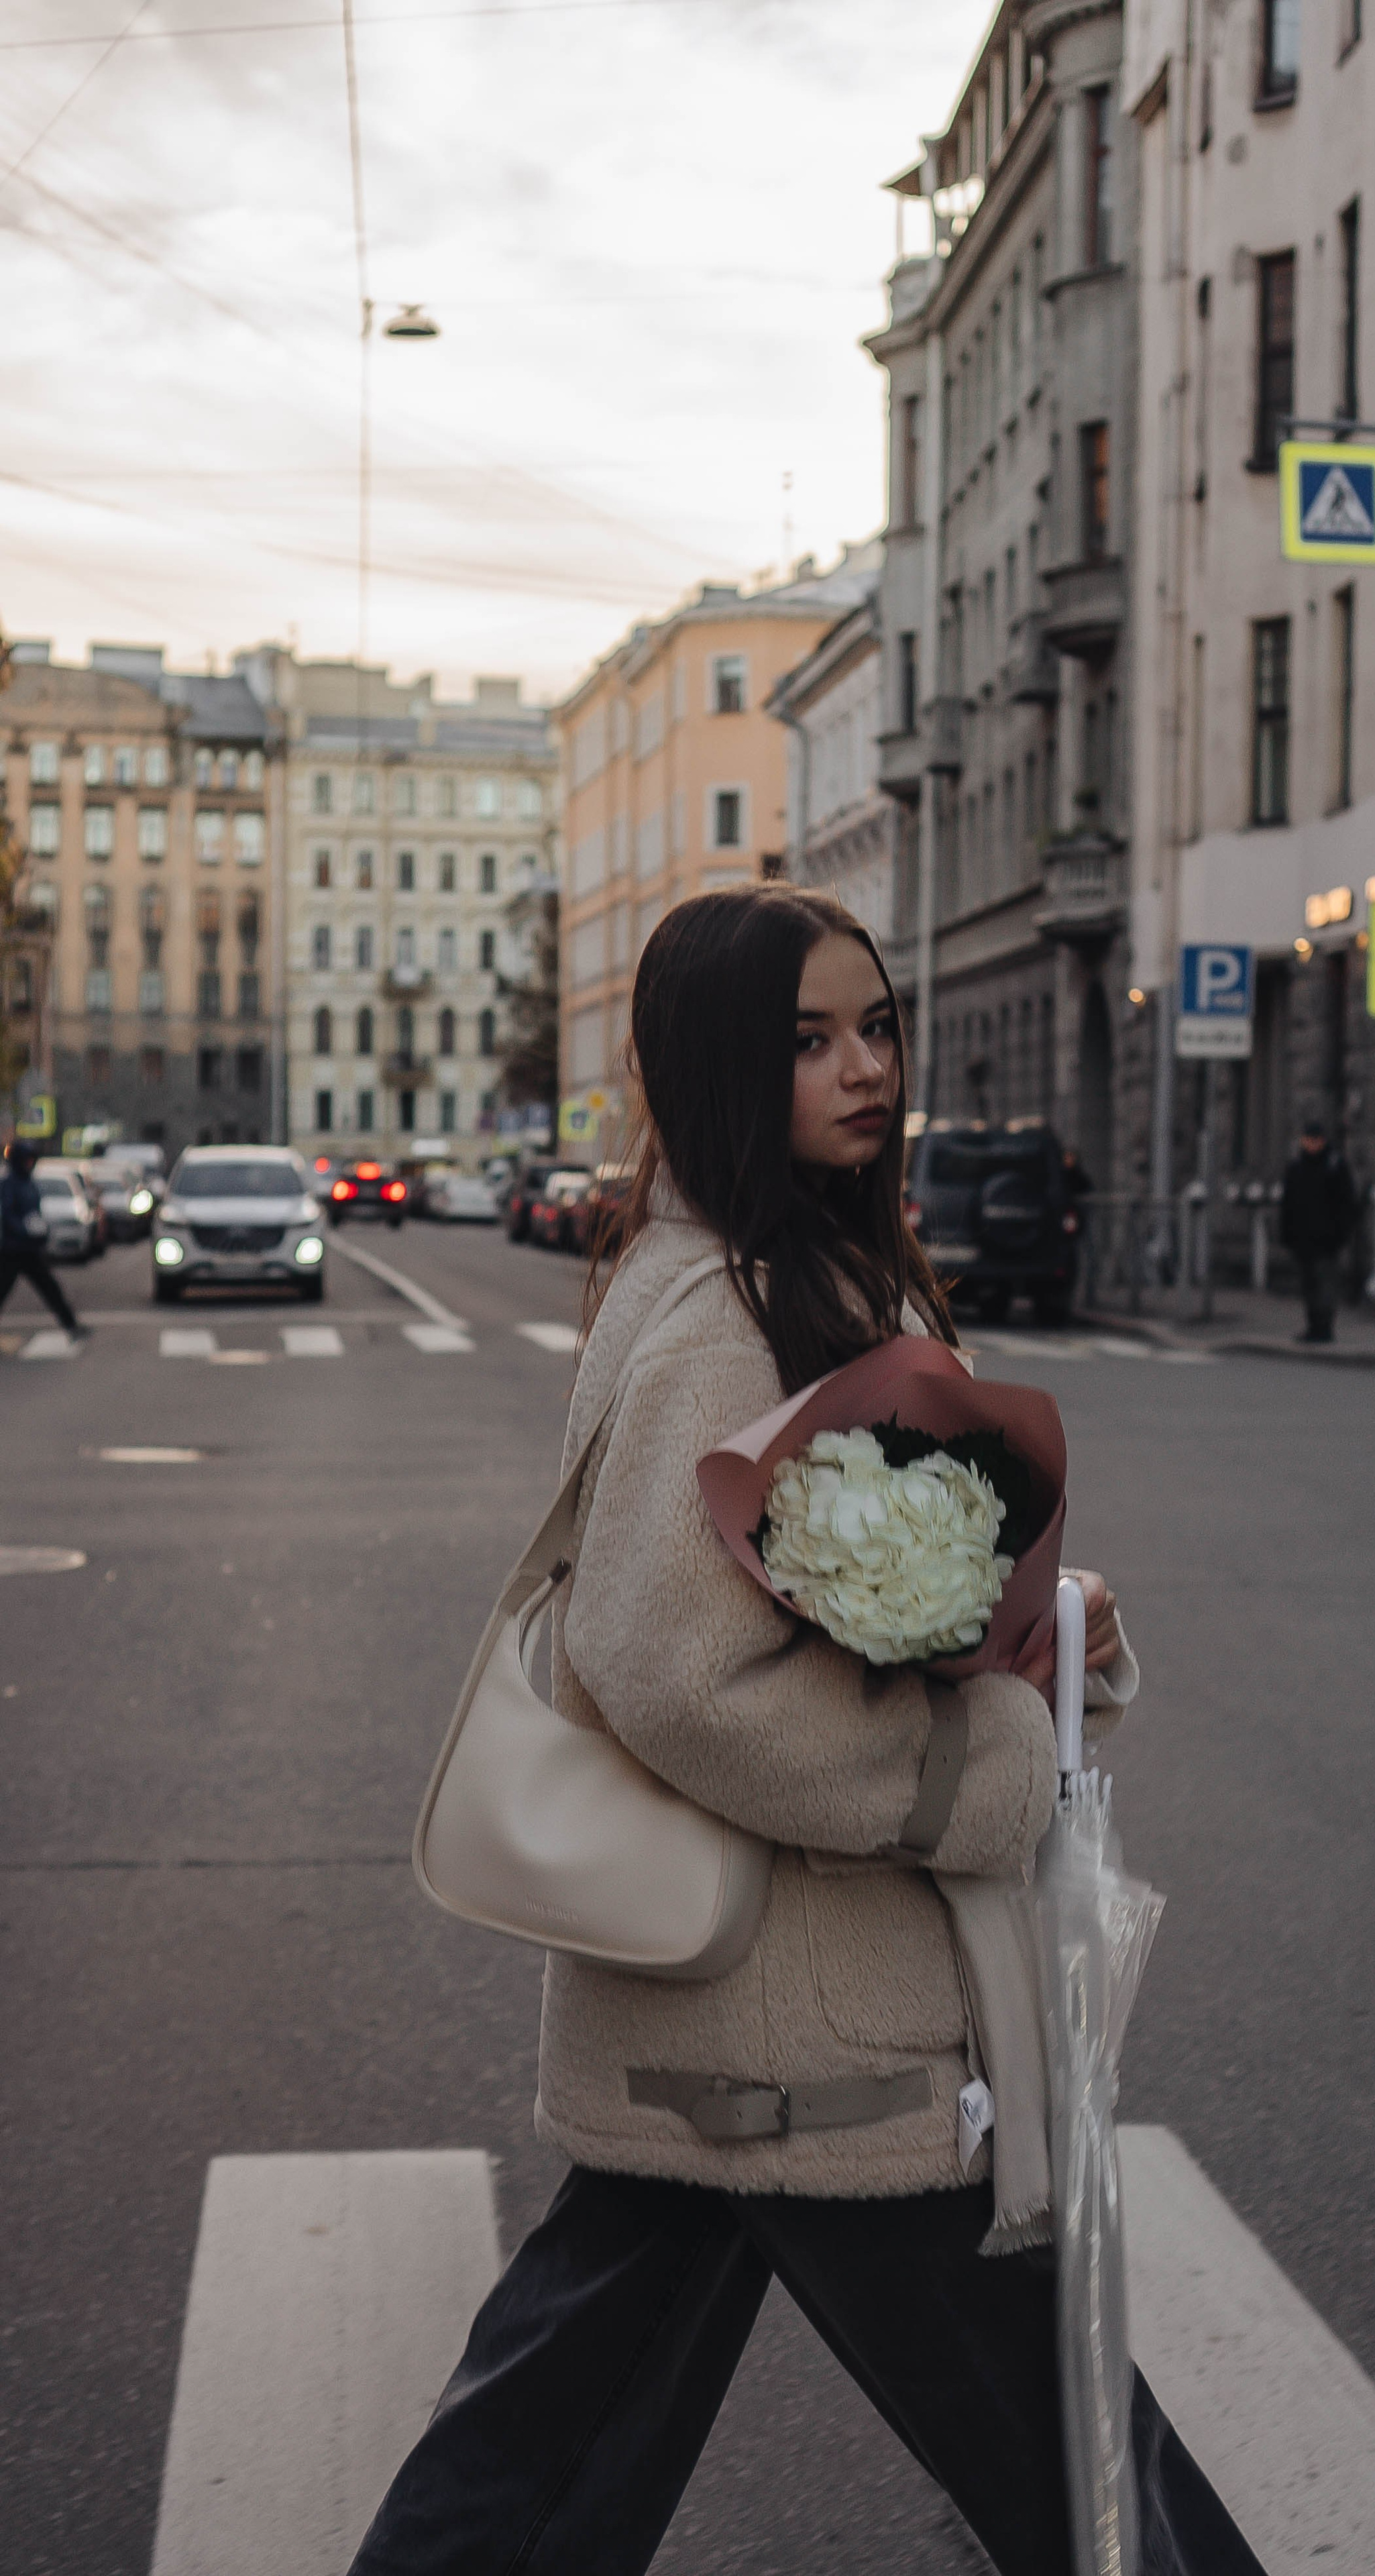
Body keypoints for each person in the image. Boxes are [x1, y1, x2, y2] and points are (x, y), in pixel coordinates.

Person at [349, 887, 1266, 2576]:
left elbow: (817, 1600)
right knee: (1077, 2452)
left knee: (551, 2438)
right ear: (710, 1062)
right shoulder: (728, 1307)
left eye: (875, 1025)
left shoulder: (779, 1268)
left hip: (749, 2015)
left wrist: (1042, 1621)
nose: (861, 1066)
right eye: (803, 1040)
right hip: (816, 2024)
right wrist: (971, 1772)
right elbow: (674, 1666)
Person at [1279, 1118, 1357, 1345]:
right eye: (1308, 1141)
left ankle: (1324, 1328)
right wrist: (1287, 1235)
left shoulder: (1334, 1166)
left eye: (1315, 1141)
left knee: (1325, 1284)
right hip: (1303, 1239)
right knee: (1309, 1285)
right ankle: (1313, 1326)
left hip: (1326, 1240)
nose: (1312, 1145)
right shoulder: (1297, 1168)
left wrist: (1340, 1235)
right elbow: (1289, 1205)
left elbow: (1346, 1204)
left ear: (1322, 1142)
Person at [0, 1140, 84, 1338]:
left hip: (30, 1250)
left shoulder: (29, 1184)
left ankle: (71, 1325)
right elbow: (7, 1215)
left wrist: (40, 1231)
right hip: (12, 1250)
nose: (29, 1164)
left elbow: (35, 1213)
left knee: (51, 1289)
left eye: (31, 1160)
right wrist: (23, 1230)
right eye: (26, 1160)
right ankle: (71, 1325)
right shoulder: (9, 1185)